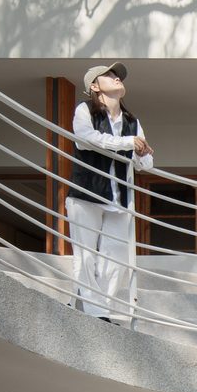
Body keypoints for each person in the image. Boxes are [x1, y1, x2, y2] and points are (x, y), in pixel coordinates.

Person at [68, 61, 153, 320]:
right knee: (85, 254)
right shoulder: (85, 111)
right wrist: (129, 144)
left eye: (118, 76)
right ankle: (96, 313)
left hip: (119, 199)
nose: (117, 78)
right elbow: (86, 140)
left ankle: (101, 310)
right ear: (95, 86)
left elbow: (146, 163)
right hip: (87, 193)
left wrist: (140, 154)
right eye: (110, 76)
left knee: (116, 259)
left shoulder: (132, 121)